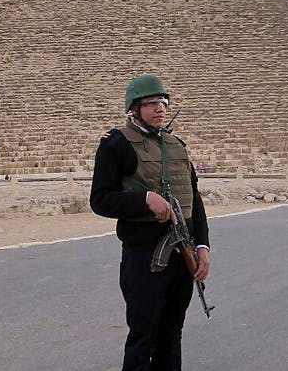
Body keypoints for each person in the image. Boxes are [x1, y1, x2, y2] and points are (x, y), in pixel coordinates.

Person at [90, 74, 210, 371]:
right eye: (151, 102)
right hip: (144, 260)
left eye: (163, 102)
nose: (160, 108)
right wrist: (144, 199)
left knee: (172, 336)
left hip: (182, 257)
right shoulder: (116, 144)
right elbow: (100, 200)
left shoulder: (176, 145)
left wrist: (203, 246)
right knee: (143, 338)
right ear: (134, 108)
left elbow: (193, 199)